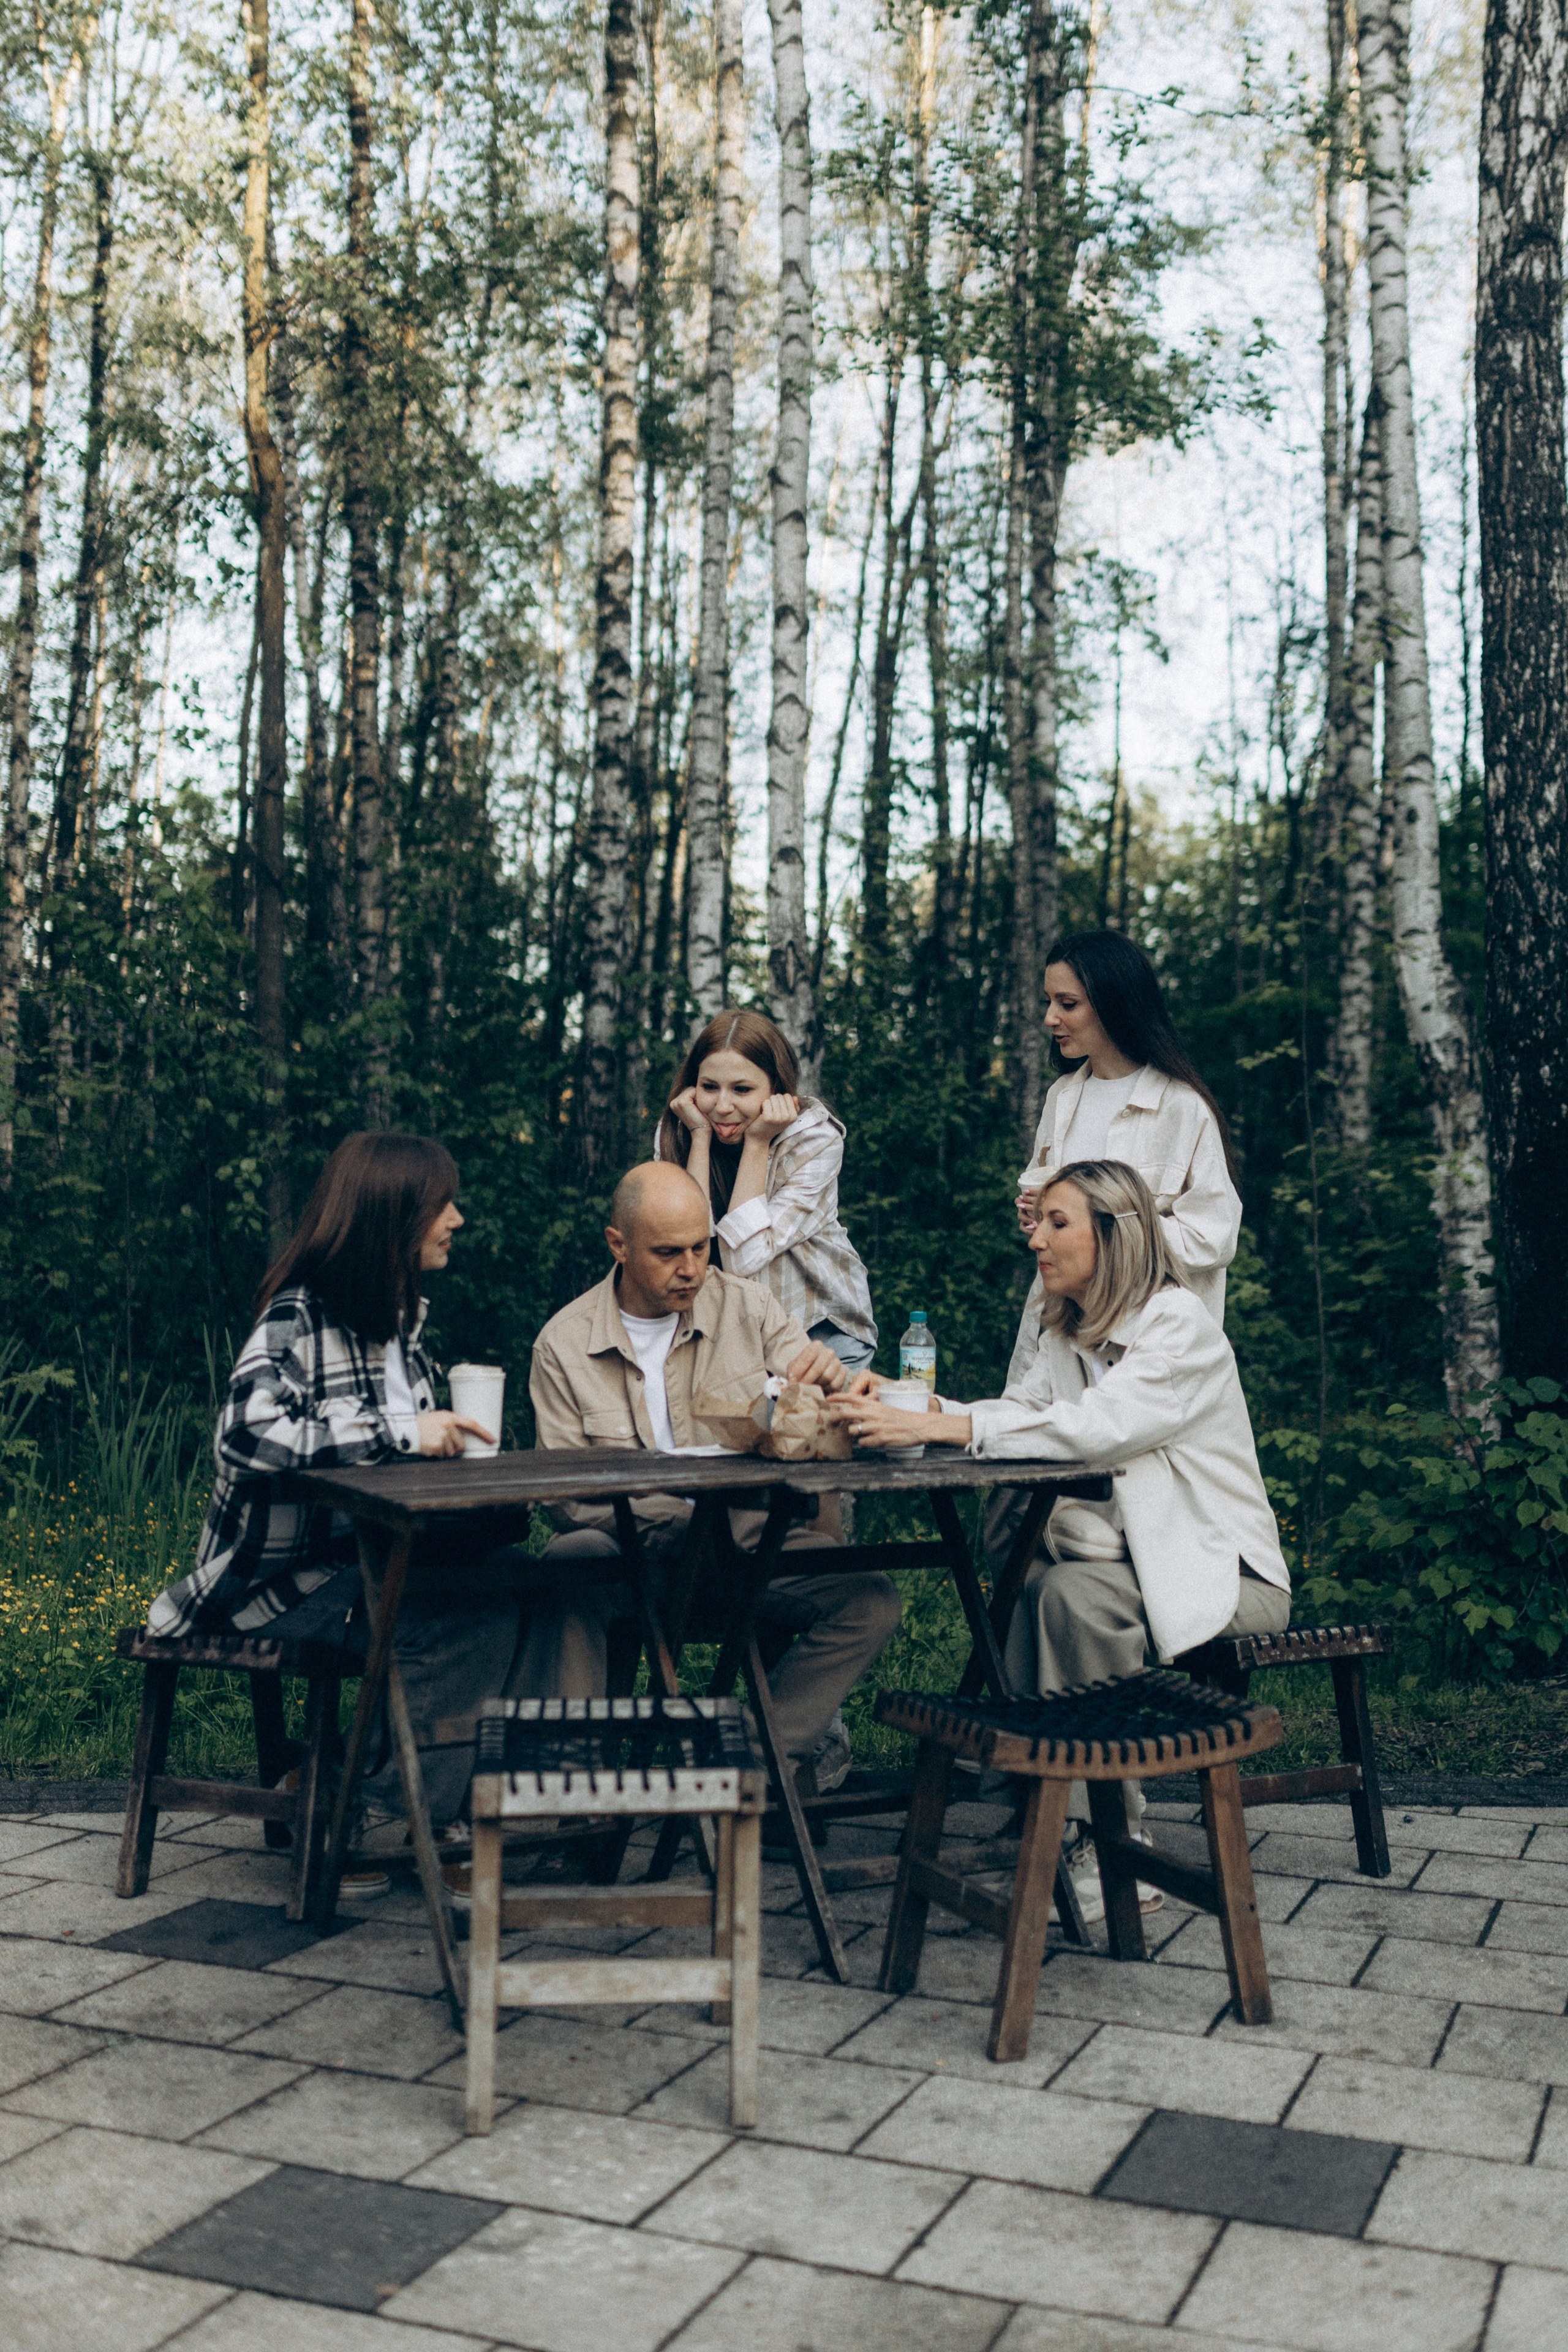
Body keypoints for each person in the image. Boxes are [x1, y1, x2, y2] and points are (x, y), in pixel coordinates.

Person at [832, 1158, 1290, 1915]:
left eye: (1056, 1223)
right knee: (1033, 1584)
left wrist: (940, 1427)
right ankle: (1040, 1813)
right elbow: (1021, 1416)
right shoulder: (1065, 1328)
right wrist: (918, 1404)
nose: (1035, 1240)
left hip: (1223, 1570)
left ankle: (1115, 1846)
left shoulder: (1178, 1326)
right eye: (1037, 1223)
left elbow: (1097, 1429)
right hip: (1131, 1558)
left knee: (1073, 1597)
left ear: (1113, 1235)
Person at [147, 1131, 528, 1870]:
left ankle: (358, 1793)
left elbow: (395, 1464)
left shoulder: (402, 1329)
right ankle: (362, 1804)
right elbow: (243, 1435)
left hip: (367, 1564)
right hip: (276, 1585)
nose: (456, 1219)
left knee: (513, 1587)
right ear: (392, 1216)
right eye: (441, 1205)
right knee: (454, 1622)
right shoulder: (299, 1315)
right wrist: (402, 1431)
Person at [529, 1159, 901, 1792]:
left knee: (870, 1600)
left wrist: (831, 1389)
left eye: (701, 1248)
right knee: (569, 1563)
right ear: (618, 1245)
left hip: (748, 1542)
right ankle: (571, 1788)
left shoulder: (748, 1307)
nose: (692, 1269)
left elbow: (826, 1417)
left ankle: (744, 1762)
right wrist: (685, 1520)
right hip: (631, 1550)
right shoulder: (563, 1344)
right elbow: (567, 1501)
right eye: (668, 1253)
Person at [1017, 929, 1241, 1325]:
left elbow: (1213, 1238)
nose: (1050, 1018)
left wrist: (1100, 1228)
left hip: (1149, 1335)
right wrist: (1041, 1217)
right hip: (1062, 1325)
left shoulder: (1182, 1108)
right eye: (1048, 1002)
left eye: (1067, 1004)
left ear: (1114, 1003)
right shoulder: (1061, 1098)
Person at [658, 1007, 877, 1376]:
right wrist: (699, 1137)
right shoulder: (683, 1129)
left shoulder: (815, 1140)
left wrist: (758, 1142)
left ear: (777, 1088)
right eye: (709, 1087)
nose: (722, 1107)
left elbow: (744, 1259)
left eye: (742, 1089)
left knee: (791, 1416)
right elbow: (690, 1240)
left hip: (819, 1333)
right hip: (725, 1338)